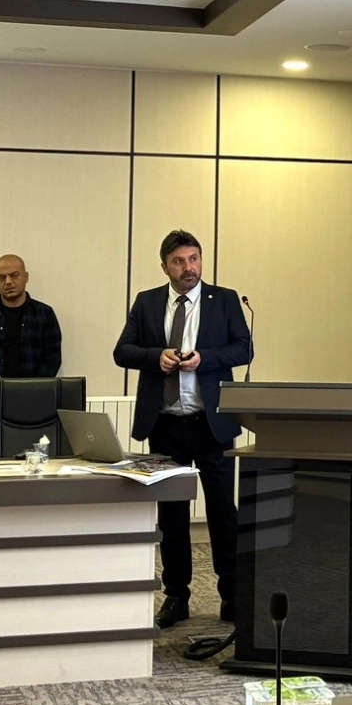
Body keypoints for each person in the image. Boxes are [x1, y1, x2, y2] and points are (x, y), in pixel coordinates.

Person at [114, 229, 252, 628]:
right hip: (166, 425)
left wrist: (204, 359)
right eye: (178, 261)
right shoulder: (147, 302)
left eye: (194, 259)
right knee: (172, 515)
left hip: (211, 425)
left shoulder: (224, 300)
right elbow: (122, 351)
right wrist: (156, 356)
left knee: (223, 511)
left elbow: (244, 348)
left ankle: (232, 594)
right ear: (165, 267)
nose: (188, 268)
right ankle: (176, 596)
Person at [0, 254, 63, 380]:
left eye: (14, 275)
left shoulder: (44, 314)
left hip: (35, 390)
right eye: (1, 278)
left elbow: (52, 358)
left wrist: (35, 386)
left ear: (26, 277)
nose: (8, 282)